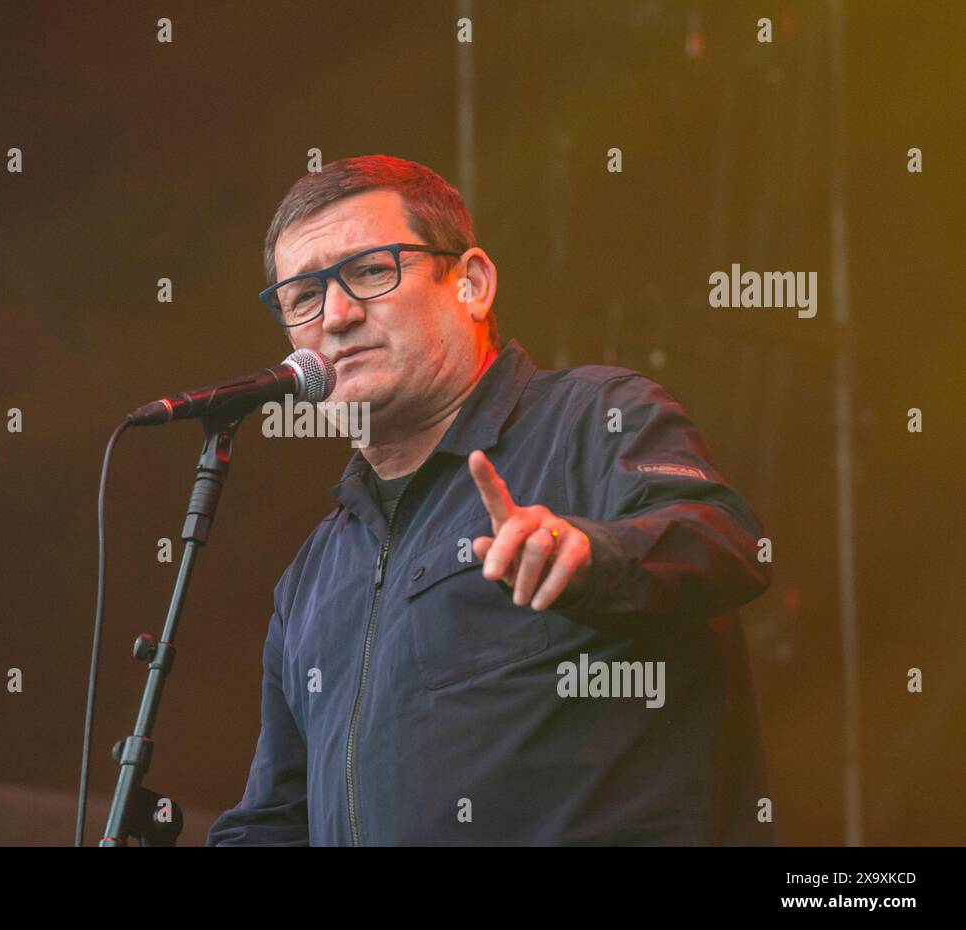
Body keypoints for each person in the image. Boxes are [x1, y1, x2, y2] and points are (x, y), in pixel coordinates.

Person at [206, 154, 773, 845]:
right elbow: (274, 821)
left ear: (470, 283)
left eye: (370, 271)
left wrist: (592, 554)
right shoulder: (310, 580)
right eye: (303, 295)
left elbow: (725, 541)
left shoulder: (593, 418)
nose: (337, 313)